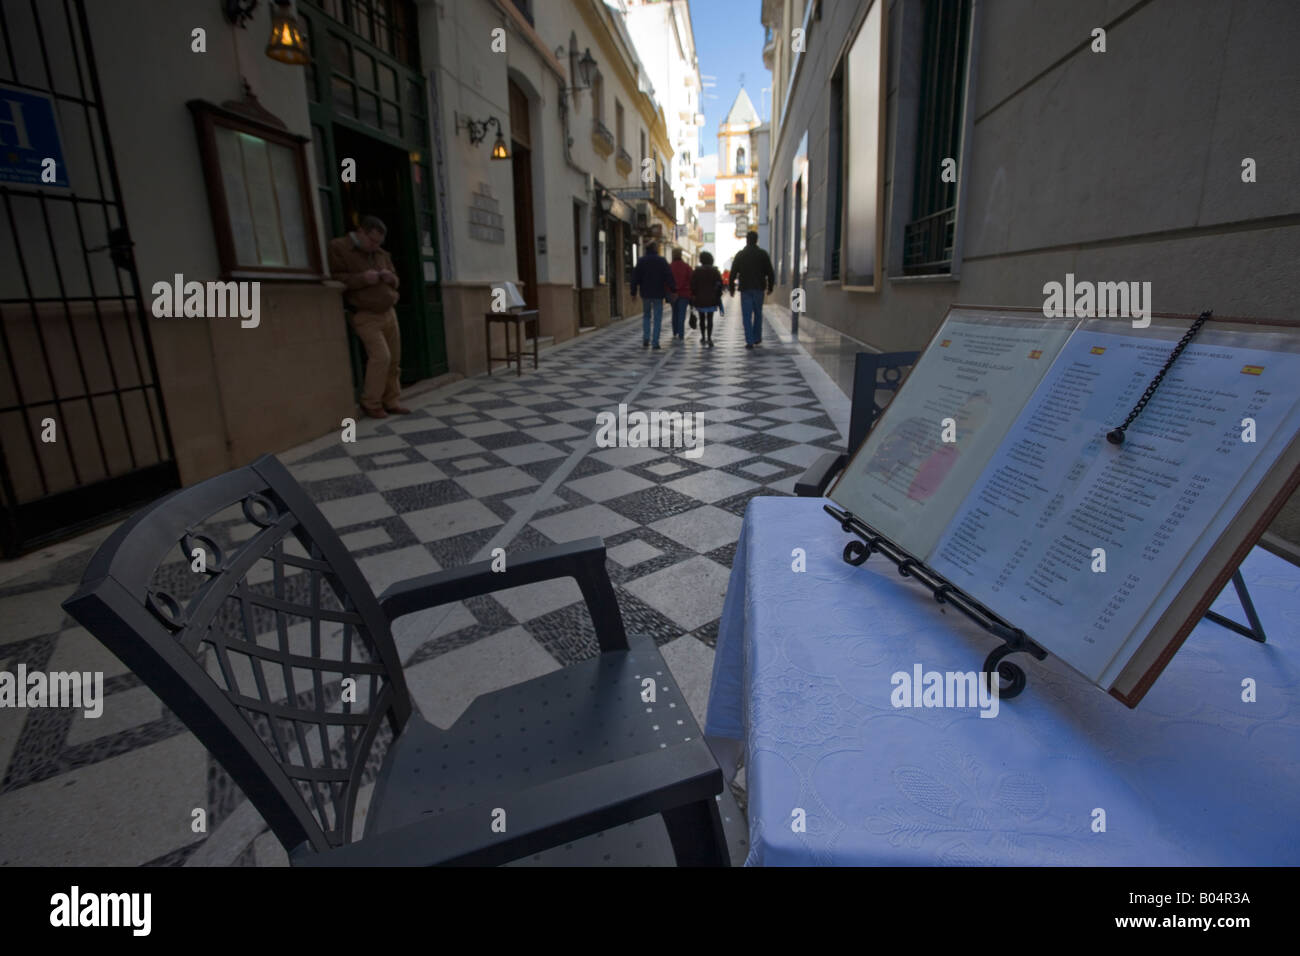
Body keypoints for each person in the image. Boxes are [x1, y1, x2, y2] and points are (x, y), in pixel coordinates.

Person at [327, 215, 409, 418]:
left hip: (389, 312)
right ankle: (371, 402)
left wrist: (392, 279)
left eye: (378, 243)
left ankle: (391, 400)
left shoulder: (380, 253)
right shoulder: (339, 248)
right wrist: (362, 279)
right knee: (381, 357)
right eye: (371, 240)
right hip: (365, 314)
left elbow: (396, 278)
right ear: (360, 232)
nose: (374, 246)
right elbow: (335, 278)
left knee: (394, 360)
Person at [728, 231, 775, 350]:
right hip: (759, 288)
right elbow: (770, 272)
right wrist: (770, 287)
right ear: (756, 240)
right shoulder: (763, 254)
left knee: (746, 315)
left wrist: (732, 288)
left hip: (745, 289)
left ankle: (749, 340)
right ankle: (757, 337)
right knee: (758, 313)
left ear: (747, 240)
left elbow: (733, 273)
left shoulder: (740, 255)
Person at [630, 241, 676, 349]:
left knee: (646, 315)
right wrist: (673, 289)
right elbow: (668, 276)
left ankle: (646, 338)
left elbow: (635, 277)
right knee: (657, 318)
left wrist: (633, 292)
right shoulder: (662, 261)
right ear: (656, 249)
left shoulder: (641, 261)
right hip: (658, 293)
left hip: (645, 293)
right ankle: (655, 342)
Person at [689, 251, 724, 349]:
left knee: (702, 318)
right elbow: (720, 284)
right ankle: (709, 337)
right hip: (711, 299)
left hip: (700, 299)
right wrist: (717, 294)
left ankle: (703, 337)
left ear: (701, 260)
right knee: (710, 318)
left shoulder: (697, 271)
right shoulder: (715, 271)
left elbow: (692, 285)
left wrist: (694, 295)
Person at [669, 248, 693, 341]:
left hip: (673, 293)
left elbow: (667, 280)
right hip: (684, 293)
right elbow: (691, 279)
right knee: (682, 313)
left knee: (674, 312)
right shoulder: (686, 267)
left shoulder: (670, 266)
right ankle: (681, 334)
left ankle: (675, 331)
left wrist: (669, 292)